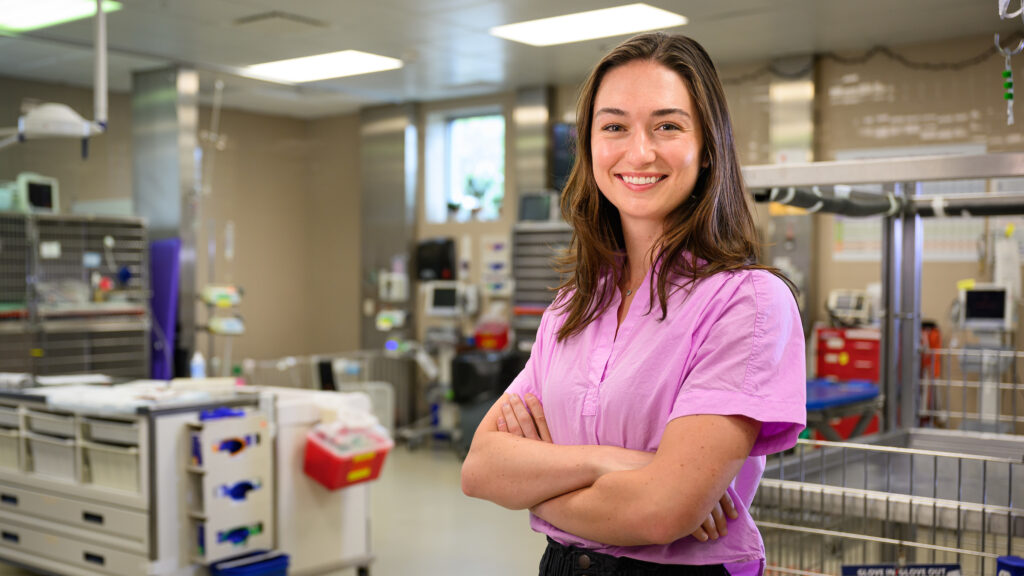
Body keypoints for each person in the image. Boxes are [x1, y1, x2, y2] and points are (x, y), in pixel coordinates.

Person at [461, 32, 806, 576]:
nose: (639, 152)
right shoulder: (574, 306)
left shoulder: (748, 303)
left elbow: (659, 511)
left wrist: (539, 490)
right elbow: (482, 468)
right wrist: (618, 464)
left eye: (667, 125)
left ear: (708, 145)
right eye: (614, 126)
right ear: (591, 146)